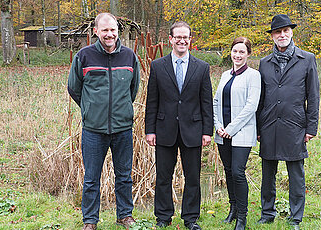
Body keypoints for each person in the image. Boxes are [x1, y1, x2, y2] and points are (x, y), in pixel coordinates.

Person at [67, 13, 140, 230]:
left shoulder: (129, 57)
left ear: (118, 31)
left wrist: (121, 109)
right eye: (105, 30)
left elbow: (133, 90)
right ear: (96, 31)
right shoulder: (84, 56)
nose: (109, 34)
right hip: (94, 130)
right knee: (91, 178)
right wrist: (91, 109)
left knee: (124, 176)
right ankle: (90, 220)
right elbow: (74, 88)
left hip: (122, 128)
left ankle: (124, 216)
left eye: (113, 30)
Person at [145, 21, 213, 230]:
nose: (182, 40)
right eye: (178, 37)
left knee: (192, 177)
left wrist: (207, 131)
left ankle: (191, 218)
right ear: (171, 40)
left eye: (186, 37)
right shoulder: (158, 66)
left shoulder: (202, 67)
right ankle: (163, 217)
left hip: (193, 130)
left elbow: (206, 101)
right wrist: (150, 130)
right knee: (163, 177)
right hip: (165, 130)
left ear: (190, 40)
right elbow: (152, 101)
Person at [256, 14, 320, 230]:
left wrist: (311, 128)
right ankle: (267, 213)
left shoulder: (307, 59)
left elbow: (313, 96)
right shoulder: (264, 63)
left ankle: (296, 217)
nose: (282, 35)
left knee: (296, 175)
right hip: (268, 125)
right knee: (267, 174)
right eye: (277, 32)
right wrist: (257, 127)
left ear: (291, 32)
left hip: (295, 125)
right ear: (272, 36)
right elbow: (260, 98)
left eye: (285, 31)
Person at [213, 37, 261, 230]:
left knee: (237, 172)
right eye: (235, 51)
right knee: (228, 172)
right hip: (221, 132)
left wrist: (231, 129)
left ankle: (242, 216)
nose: (238, 55)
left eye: (242, 52)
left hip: (241, 133)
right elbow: (215, 101)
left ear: (248, 54)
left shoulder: (253, 76)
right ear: (230, 52)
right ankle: (232, 209)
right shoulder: (225, 75)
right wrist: (217, 125)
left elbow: (251, 106)